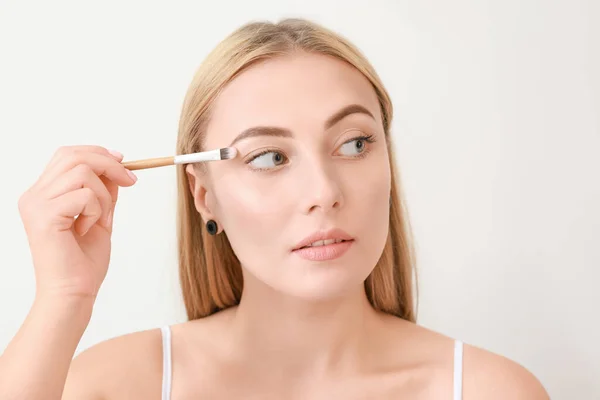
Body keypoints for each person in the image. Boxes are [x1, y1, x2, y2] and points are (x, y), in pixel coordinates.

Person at [0, 18, 549, 400]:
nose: (324, 190)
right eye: (269, 156)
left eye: (354, 143)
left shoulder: (489, 390)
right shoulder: (114, 384)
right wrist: (62, 299)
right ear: (203, 194)